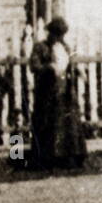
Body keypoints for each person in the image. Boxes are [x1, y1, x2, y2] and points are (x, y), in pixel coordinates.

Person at [30, 16, 86, 170]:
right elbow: (34, 66)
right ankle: (47, 158)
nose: (58, 37)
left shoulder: (66, 47)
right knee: (48, 123)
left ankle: (70, 156)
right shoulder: (40, 47)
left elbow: (72, 61)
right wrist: (49, 68)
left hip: (65, 90)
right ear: (50, 33)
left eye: (61, 34)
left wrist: (78, 71)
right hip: (47, 91)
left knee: (68, 123)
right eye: (56, 33)